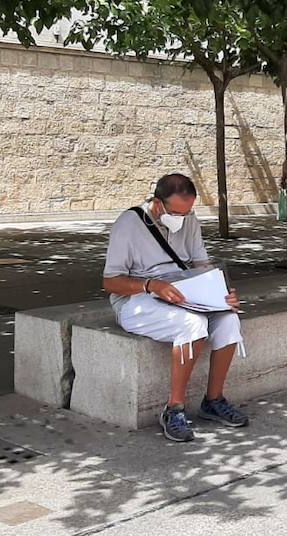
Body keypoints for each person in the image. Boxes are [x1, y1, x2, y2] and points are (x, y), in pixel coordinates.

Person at [102, 174, 248, 442]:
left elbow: (201, 263)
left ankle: (213, 400)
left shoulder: (188, 219)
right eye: (176, 212)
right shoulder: (128, 224)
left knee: (229, 319)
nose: (183, 218)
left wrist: (223, 292)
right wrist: (152, 286)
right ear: (157, 203)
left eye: (188, 212)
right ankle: (174, 409)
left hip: (185, 292)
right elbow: (110, 282)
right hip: (137, 299)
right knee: (191, 324)